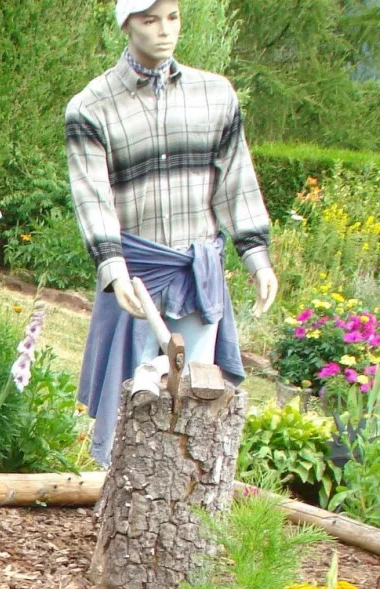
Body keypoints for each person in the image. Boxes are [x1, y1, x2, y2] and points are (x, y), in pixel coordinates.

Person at [66, 0, 277, 465]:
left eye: (173, 17)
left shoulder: (215, 96)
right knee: (132, 408)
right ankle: (122, 502)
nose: (164, 30)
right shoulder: (92, 107)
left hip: (197, 279)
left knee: (194, 402)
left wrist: (256, 256)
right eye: (149, 20)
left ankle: (186, 505)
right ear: (126, 25)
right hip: (136, 277)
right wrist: (113, 268)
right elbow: (93, 199)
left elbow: (236, 182)